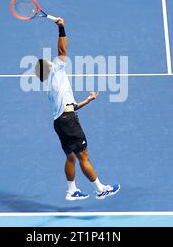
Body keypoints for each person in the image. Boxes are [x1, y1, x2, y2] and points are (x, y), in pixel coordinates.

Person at [34, 17, 120, 201]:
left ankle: (71, 190)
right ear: (48, 68)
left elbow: (70, 107)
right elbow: (62, 50)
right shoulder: (56, 71)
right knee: (84, 156)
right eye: (48, 62)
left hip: (60, 122)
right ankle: (100, 188)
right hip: (69, 122)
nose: (51, 61)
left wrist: (88, 100)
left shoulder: (49, 84)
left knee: (71, 157)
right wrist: (61, 28)